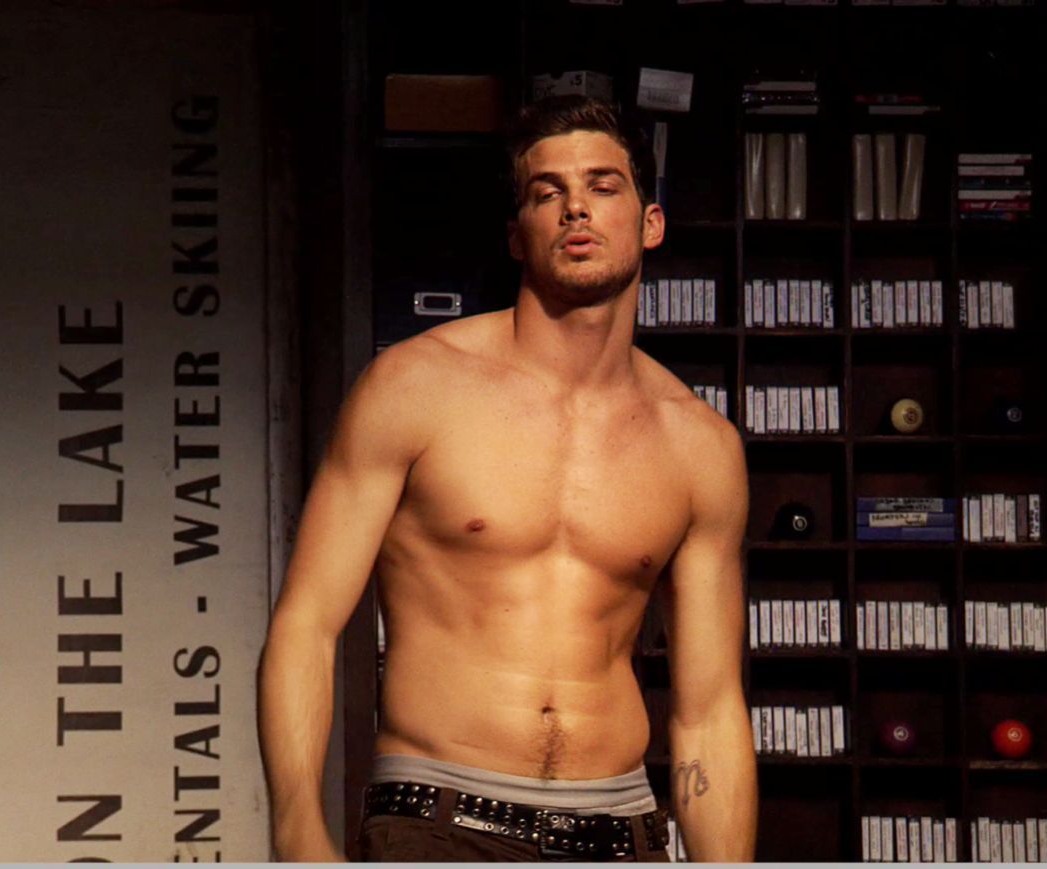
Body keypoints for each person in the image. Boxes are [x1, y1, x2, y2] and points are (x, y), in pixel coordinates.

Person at [258, 95, 756, 862]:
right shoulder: (416, 387)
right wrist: (297, 830)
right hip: (438, 822)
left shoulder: (700, 446)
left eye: (603, 185)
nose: (575, 207)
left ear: (651, 222)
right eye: (547, 192)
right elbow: (306, 622)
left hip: (620, 832)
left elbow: (710, 710)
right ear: (517, 236)